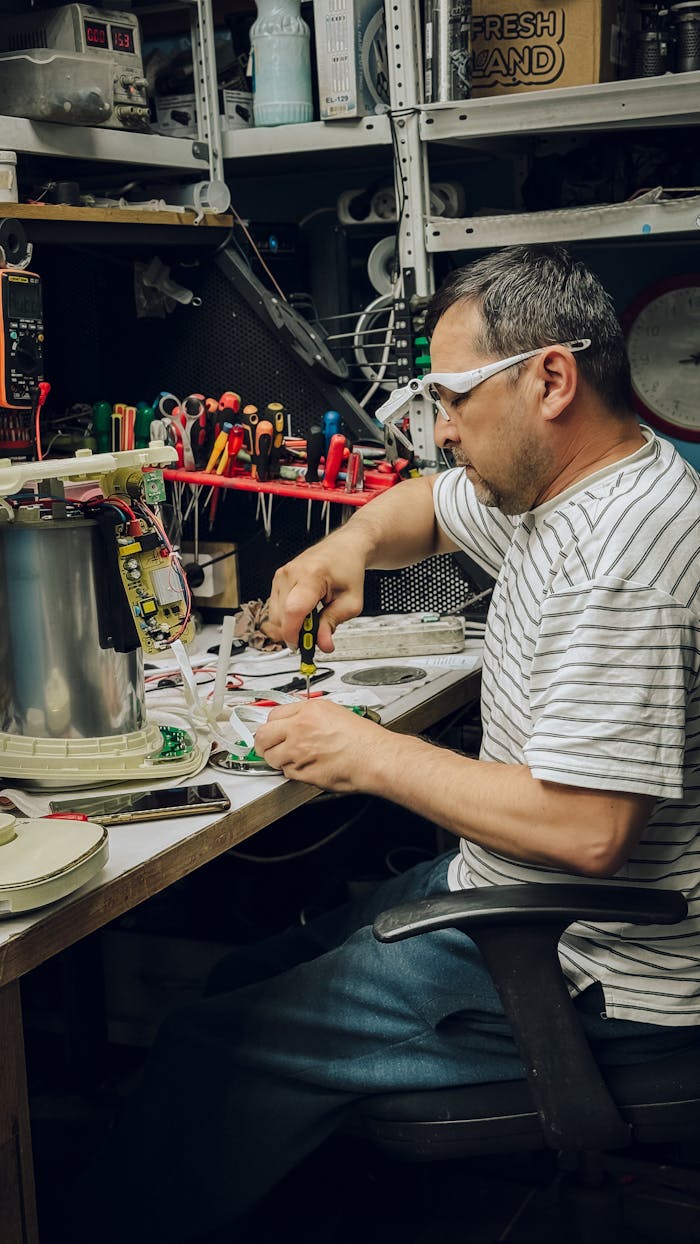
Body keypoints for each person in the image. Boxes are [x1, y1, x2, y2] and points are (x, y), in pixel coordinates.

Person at [64, 245, 700, 1244]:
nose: (440, 430)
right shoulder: (564, 493)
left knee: (209, 1044)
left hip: (597, 963)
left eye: (451, 398)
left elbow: (585, 832)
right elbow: (421, 509)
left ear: (549, 378)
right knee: (235, 976)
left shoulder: (621, 562)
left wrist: (362, 751)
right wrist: (341, 547)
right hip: (519, 894)